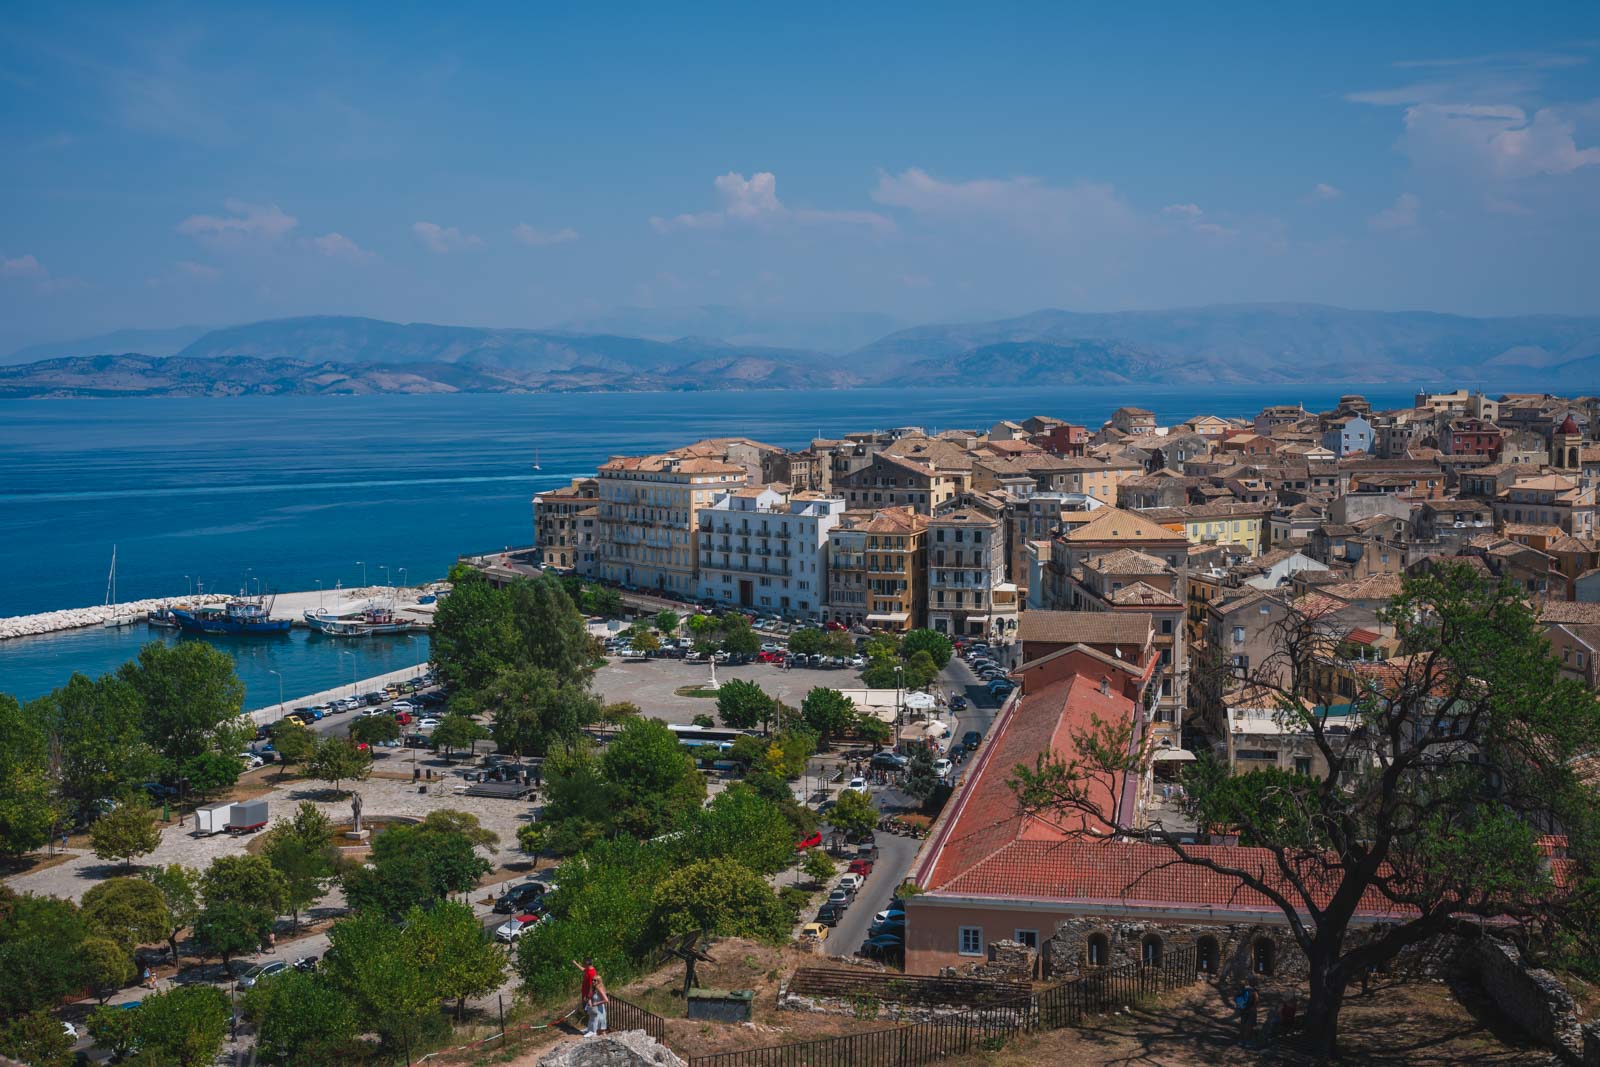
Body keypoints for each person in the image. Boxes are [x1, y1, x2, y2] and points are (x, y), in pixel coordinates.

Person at [1234, 981, 1259, 1046]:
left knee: (1242, 1025)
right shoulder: (1254, 991)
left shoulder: (1242, 990)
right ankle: (1248, 1042)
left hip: (1243, 1010)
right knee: (1249, 1026)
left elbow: (1236, 1000)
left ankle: (1241, 1041)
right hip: (1251, 1011)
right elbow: (1256, 1002)